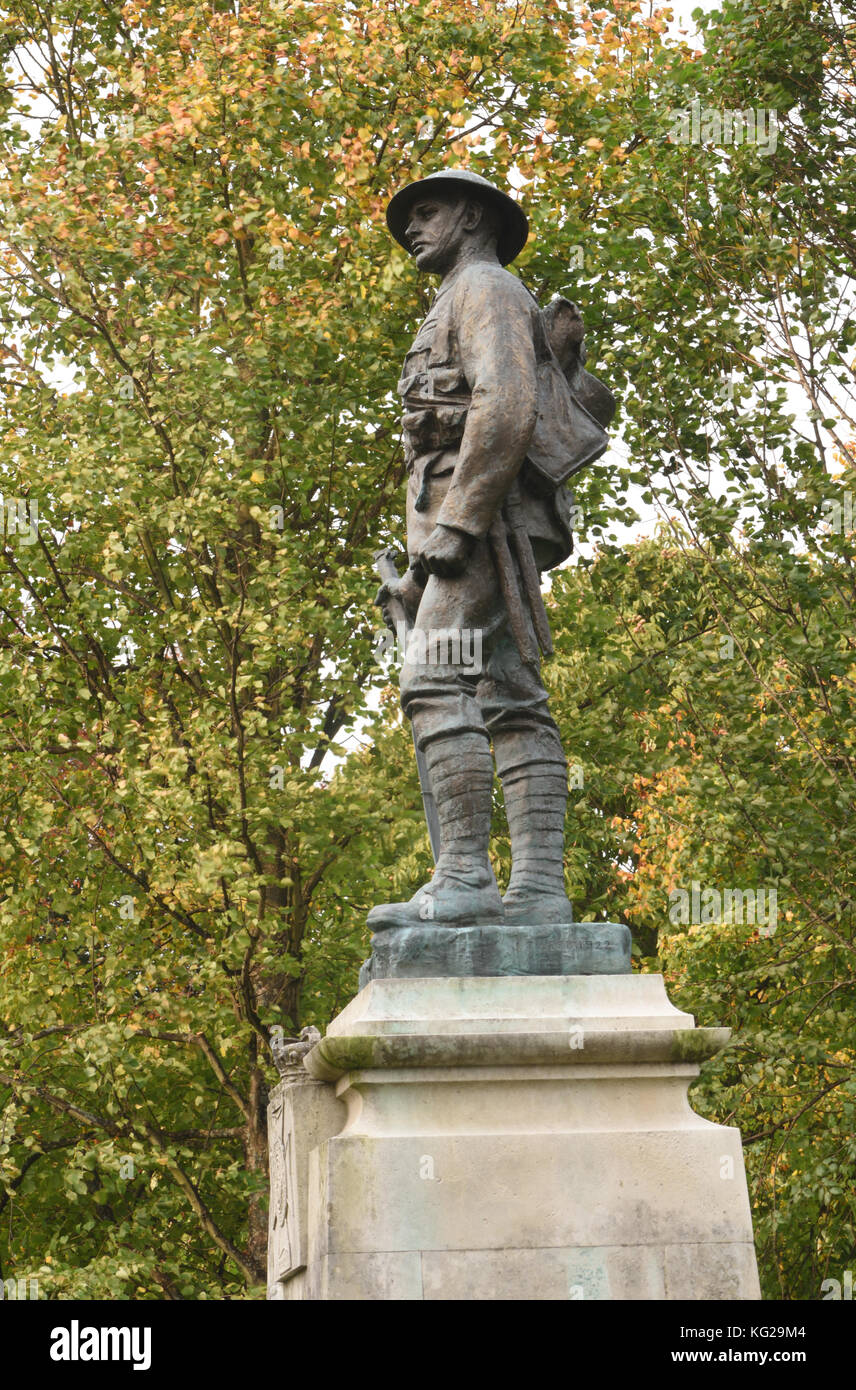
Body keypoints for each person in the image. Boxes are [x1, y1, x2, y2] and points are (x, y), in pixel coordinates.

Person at [370, 169, 609, 932]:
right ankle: (539, 893)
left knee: (434, 679)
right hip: (461, 520)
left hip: (485, 521)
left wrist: (461, 524)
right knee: (511, 696)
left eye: (428, 212)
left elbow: (506, 405)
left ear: (471, 216)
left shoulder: (489, 289)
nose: (413, 227)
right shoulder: (457, 296)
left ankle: (467, 876)